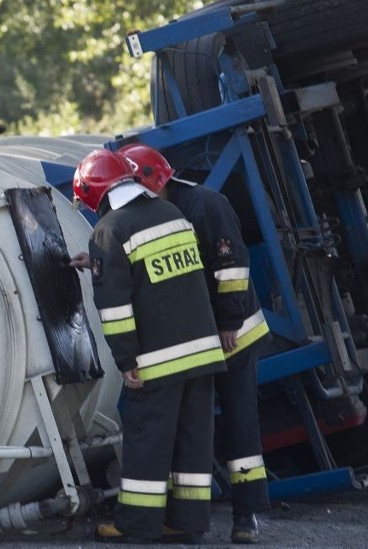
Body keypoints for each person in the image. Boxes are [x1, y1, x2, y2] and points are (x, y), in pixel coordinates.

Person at [118, 143, 271, 544]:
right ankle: (186, 519)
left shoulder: (206, 205)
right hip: (199, 340)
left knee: (240, 424)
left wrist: (230, 323)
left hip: (234, 334)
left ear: (152, 181)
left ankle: (246, 515)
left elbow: (233, 268)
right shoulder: (155, 213)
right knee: (192, 429)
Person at [72, 149, 226, 544]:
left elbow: (117, 307)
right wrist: (96, 262)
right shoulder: (171, 214)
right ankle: (187, 521)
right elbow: (158, 276)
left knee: (147, 442)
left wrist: (126, 360)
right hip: (203, 351)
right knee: (193, 440)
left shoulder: (109, 230)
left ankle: (135, 524)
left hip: (158, 359)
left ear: (95, 193)